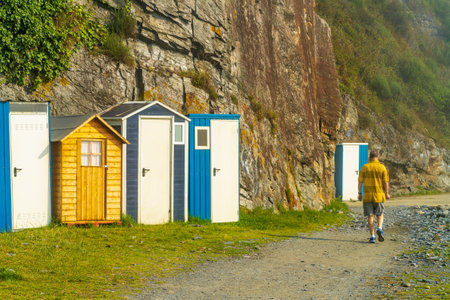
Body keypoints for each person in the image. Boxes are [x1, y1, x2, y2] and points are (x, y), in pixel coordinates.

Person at [358, 150, 390, 243]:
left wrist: (360, 193)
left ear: (369, 158)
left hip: (368, 196)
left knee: (370, 216)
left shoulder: (365, 167)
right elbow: (385, 182)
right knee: (379, 214)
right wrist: (386, 193)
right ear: (378, 158)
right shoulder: (382, 167)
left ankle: (372, 236)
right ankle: (379, 228)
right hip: (379, 195)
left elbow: (360, 182)